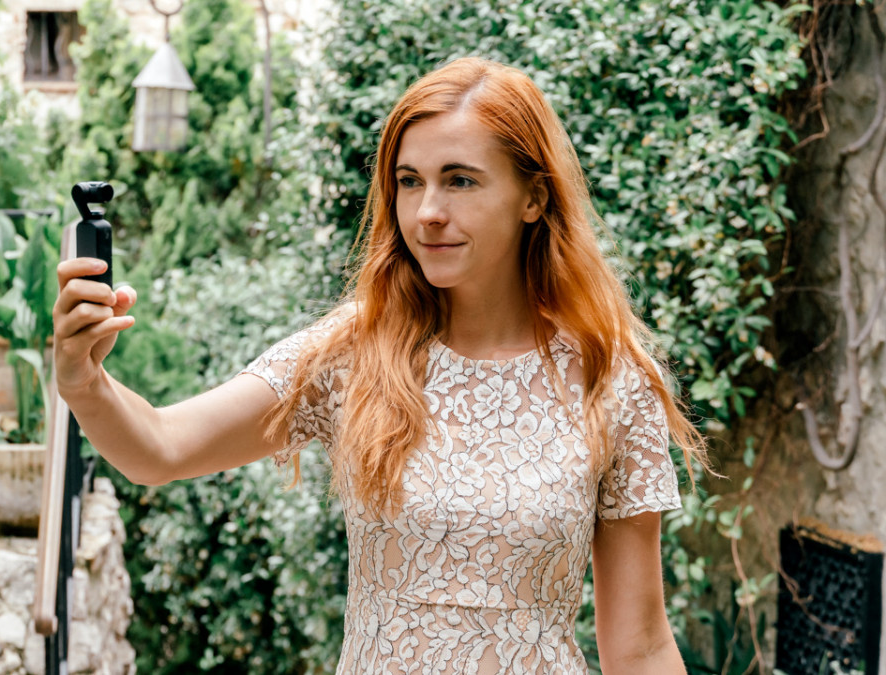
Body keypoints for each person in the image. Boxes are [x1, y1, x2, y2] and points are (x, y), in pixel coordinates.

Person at [53, 57, 707, 674]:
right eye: (409, 181)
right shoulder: (355, 351)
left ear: (533, 198)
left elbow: (641, 645)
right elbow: (161, 448)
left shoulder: (611, 379)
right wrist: (86, 382)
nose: (428, 212)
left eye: (460, 179)